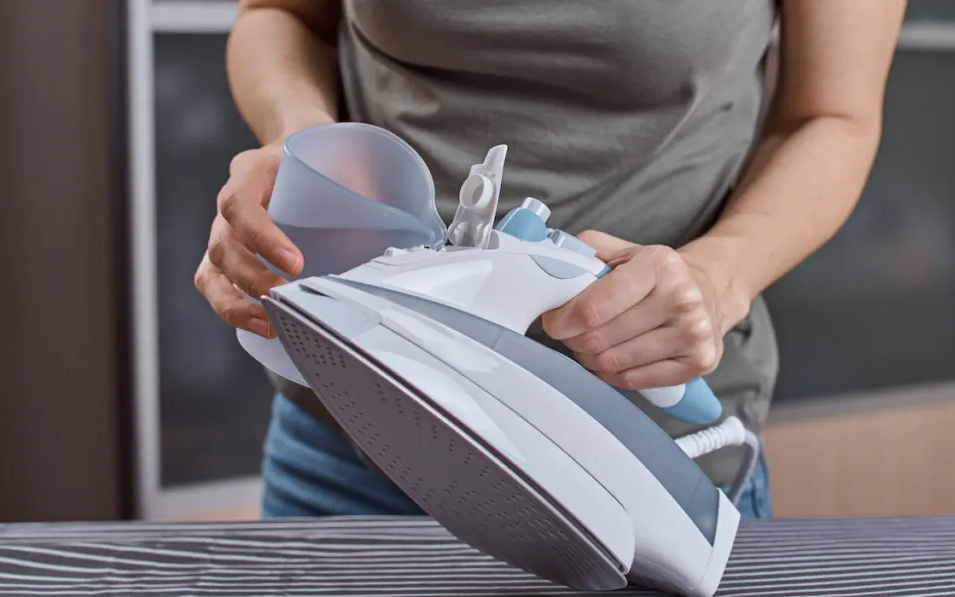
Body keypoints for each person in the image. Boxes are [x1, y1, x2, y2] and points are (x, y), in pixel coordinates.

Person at [195, 0, 906, 520]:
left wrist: (718, 277)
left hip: (638, 470)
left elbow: (831, 114)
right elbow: (280, 15)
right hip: (356, 420)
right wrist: (308, 151)